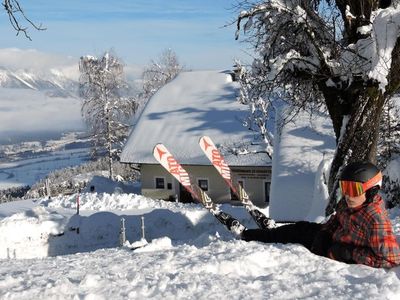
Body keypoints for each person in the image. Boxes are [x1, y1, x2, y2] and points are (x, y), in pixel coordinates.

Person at [223, 161, 400, 268]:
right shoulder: (348, 202)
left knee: (295, 235)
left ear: (371, 191)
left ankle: (247, 235)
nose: (347, 194)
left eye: (354, 189)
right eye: (345, 187)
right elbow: (337, 219)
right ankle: (263, 232)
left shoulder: (376, 219)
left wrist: (350, 253)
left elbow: (393, 258)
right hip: (330, 239)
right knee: (300, 228)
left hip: (335, 250)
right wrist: (325, 232)